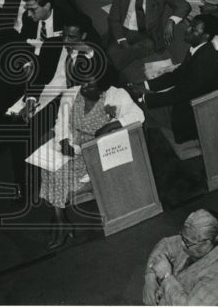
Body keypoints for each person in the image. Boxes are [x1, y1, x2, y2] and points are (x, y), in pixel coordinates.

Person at [39, 67, 144, 248]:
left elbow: (138, 116)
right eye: (83, 82)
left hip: (95, 154)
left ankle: (60, 221)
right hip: (73, 148)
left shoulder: (115, 95)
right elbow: (61, 121)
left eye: (91, 83)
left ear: (102, 84)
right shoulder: (72, 93)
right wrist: (64, 141)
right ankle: (60, 218)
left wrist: (109, 127)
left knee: (54, 174)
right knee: (47, 164)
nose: (85, 87)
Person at [135, 14, 218, 144]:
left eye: (193, 30)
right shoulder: (197, 49)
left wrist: (144, 97)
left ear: (205, 36)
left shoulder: (205, 61)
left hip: (186, 117)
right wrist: (145, 85)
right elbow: (177, 75)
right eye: (190, 26)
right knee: (132, 100)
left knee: (136, 108)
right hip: (182, 102)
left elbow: (180, 94)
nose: (187, 30)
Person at [108, 0, 191, 83]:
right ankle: (111, 72)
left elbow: (183, 6)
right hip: (125, 30)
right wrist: (121, 38)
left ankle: (109, 72)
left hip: (147, 35)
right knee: (115, 50)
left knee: (146, 45)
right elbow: (113, 18)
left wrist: (171, 21)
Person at [143, 210, 218, 306]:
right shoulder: (202, 238)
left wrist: (166, 277)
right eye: (183, 237)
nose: (181, 244)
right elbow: (165, 244)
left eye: (187, 242)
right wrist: (150, 277)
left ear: (206, 244)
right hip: (178, 288)